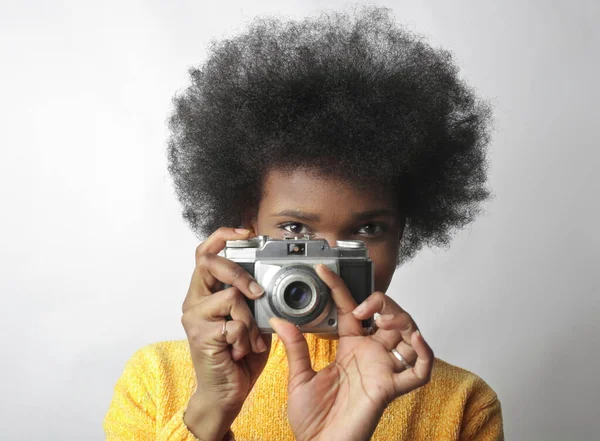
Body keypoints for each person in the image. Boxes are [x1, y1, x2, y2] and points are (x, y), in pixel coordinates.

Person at [104, 6, 504, 441]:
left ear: (402, 232)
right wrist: (209, 410)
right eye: (295, 231)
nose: (325, 267)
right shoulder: (156, 382)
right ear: (246, 227)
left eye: (368, 229)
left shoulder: (462, 404)